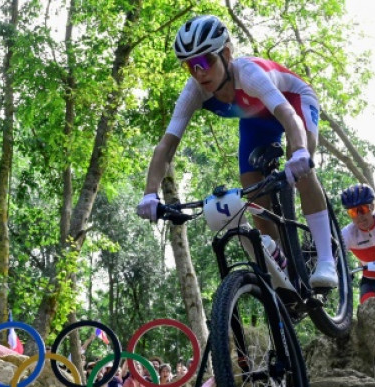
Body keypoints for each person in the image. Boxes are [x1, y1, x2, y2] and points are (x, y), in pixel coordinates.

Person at [136, 14, 338, 288]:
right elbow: (167, 145)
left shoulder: (249, 74)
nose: (199, 72)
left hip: (293, 102)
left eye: (205, 61)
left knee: (300, 168)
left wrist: (301, 151)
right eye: (190, 66)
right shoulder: (194, 91)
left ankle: (326, 260)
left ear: (227, 54)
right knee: (254, 196)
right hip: (255, 119)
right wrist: (150, 193)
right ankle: (285, 275)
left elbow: (288, 116)